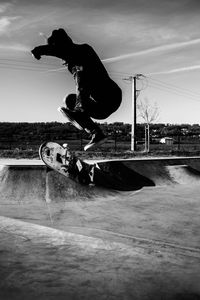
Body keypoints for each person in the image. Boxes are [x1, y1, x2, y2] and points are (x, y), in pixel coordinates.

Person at [31, 28, 122, 150]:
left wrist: (39, 50)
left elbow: (82, 84)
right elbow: (58, 51)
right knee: (70, 100)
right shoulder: (71, 59)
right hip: (99, 107)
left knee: (81, 75)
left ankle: (80, 111)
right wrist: (40, 50)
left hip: (112, 96)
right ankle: (96, 133)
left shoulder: (83, 50)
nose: (62, 59)